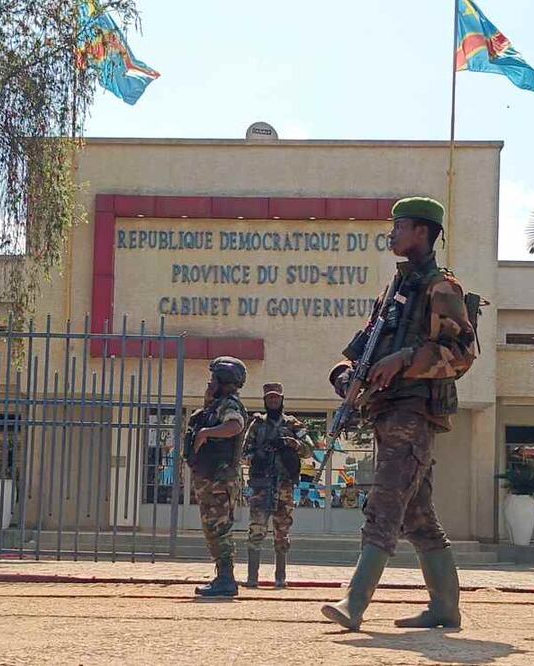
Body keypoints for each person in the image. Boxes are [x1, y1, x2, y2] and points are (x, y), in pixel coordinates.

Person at [321, 196, 477, 630]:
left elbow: (464, 352)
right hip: (385, 409)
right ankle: (445, 608)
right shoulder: (395, 290)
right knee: (418, 516)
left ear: (423, 232)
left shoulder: (441, 287)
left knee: (386, 502)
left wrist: (406, 359)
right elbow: (363, 351)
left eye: (400, 225)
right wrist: (346, 377)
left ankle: (354, 602)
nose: (392, 233)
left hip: (415, 410)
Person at [185, 356, 248, 598]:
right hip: (210, 477)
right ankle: (222, 577)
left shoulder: (229, 404)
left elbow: (235, 426)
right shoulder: (215, 405)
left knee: (219, 528)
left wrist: (206, 433)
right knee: (213, 528)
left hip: (220, 479)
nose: (208, 382)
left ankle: (226, 580)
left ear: (223, 380)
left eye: (213, 378)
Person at [241, 382, 314, 589]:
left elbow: (309, 450)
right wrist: (258, 456)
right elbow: (244, 452)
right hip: (261, 485)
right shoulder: (257, 424)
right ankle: (252, 577)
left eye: (276, 397)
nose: (273, 401)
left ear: (282, 399)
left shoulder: (293, 424)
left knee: (282, 531)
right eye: (270, 398)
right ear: (265, 401)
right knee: (256, 529)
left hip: (284, 485)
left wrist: (291, 444)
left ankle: (280, 577)